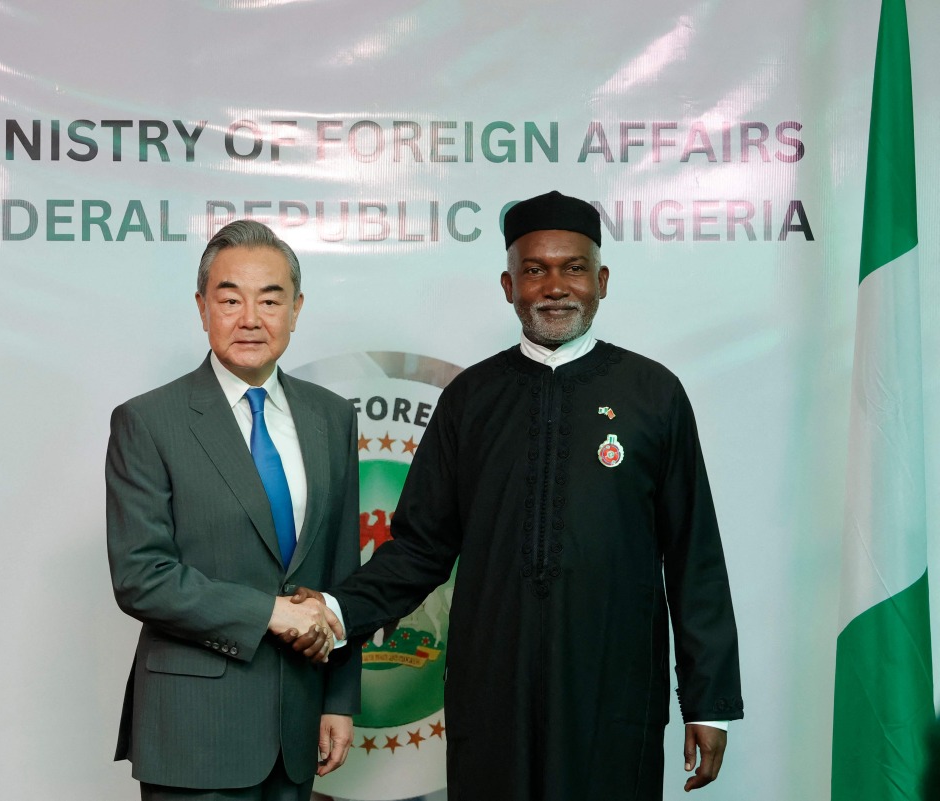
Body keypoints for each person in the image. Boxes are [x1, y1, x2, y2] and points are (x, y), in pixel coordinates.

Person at [287, 191, 744, 800]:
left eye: (573, 268)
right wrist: (338, 612)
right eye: (535, 270)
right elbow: (420, 549)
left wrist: (708, 701)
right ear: (509, 286)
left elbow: (694, 556)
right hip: (493, 689)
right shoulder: (471, 399)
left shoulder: (653, 394)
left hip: (613, 687)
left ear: (601, 280)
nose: (555, 286)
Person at [106, 220, 359, 801]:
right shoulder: (149, 421)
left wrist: (339, 699)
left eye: (270, 300)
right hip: (195, 729)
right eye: (229, 299)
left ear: (296, 309)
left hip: (298, 725)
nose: (251, 318)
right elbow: (141, 578)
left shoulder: (332, 417)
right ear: (202, 308)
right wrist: (271, 613)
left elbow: (342, 573)